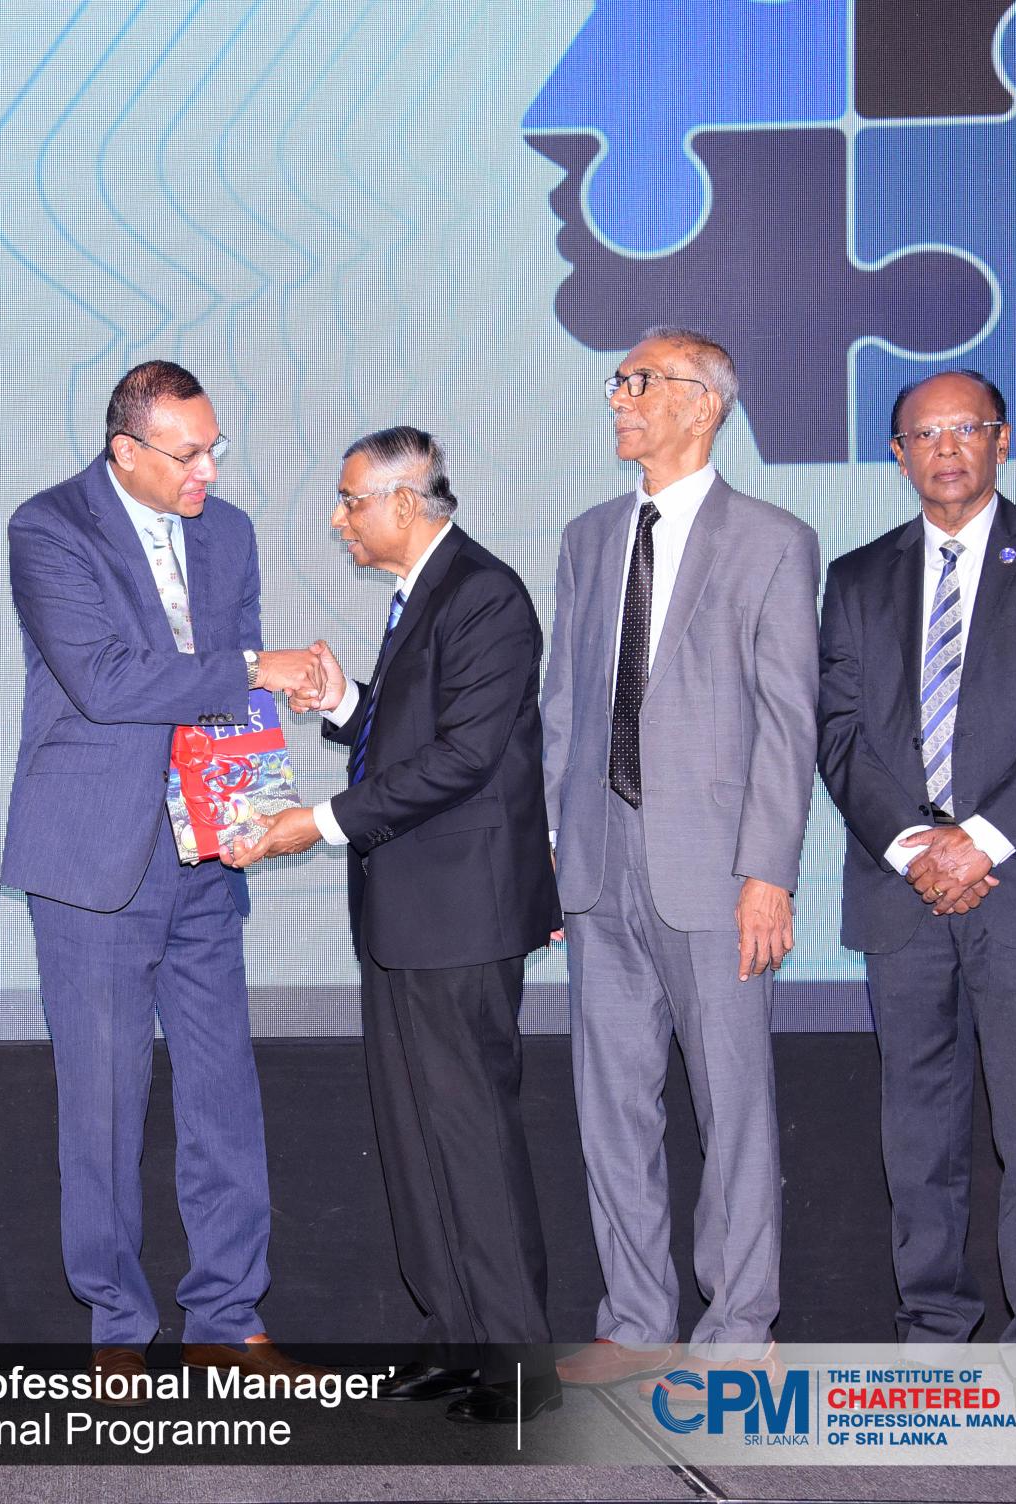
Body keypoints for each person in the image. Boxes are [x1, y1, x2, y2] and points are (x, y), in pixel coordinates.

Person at [818, 369, 1016, 1434]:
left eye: (967, 429)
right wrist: (916, 846)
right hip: (902, 886)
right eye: (925, 433)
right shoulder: (857, 576)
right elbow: (837, 732)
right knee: (919, 1131)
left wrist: (979, 841)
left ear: (1002, 442)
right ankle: (932, 1339)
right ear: (897, 454)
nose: (946, 448)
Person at [228, 427, 562, 1425]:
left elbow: (463, 757)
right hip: (408, 913)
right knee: (418, 1141)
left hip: (458, 917)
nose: (339, 520)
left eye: (350, 501)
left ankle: (518, 1364)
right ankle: (457, 1341)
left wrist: (319, 822)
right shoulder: (424, 592)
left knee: (470, 1140)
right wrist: (343, 703)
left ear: (406, 502)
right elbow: (411, 734)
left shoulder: (484, 594)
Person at [3, 360, 325, 1392]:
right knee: (103, 1103)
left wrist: (259, 800)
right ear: (126, 449)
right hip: (95, 856)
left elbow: (233, 698)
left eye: (213, 448)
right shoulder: (50, 528)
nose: (207, 471)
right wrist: (257, 668)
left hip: (209, 851)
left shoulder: (228, 533)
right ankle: (116, 1322)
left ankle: (226, 1317)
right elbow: (105, 681)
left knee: (223, 1094)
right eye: (188, 454)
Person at [541, 328, 819, 1396]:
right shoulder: (587, 536)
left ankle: (738, 1332)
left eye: (640, 381)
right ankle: (637, 1322)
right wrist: (555, 847)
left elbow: (788, 723)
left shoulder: (773, 541)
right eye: (617, 382)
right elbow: (565, 707)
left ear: (703, 405)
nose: (618, 398)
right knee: (611, 1106)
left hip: (717, 875)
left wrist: (769, 873)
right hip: (598, 868)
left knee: (732, 1109)